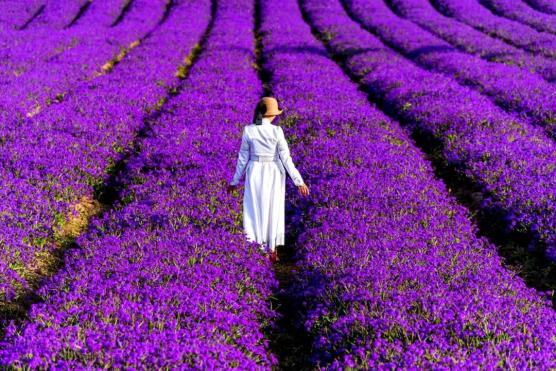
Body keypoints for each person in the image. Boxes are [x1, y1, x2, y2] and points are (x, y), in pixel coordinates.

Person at [227, 97, 310, 263]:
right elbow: (286, 158)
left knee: (254, 208)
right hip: (273, 172)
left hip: (255, 171)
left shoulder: (249, 130)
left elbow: (242, 159)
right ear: (271, 114)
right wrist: (298, 181)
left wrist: (234, 181)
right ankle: (272, 249)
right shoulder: (276, 131)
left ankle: (256, 248)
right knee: (273, 209)